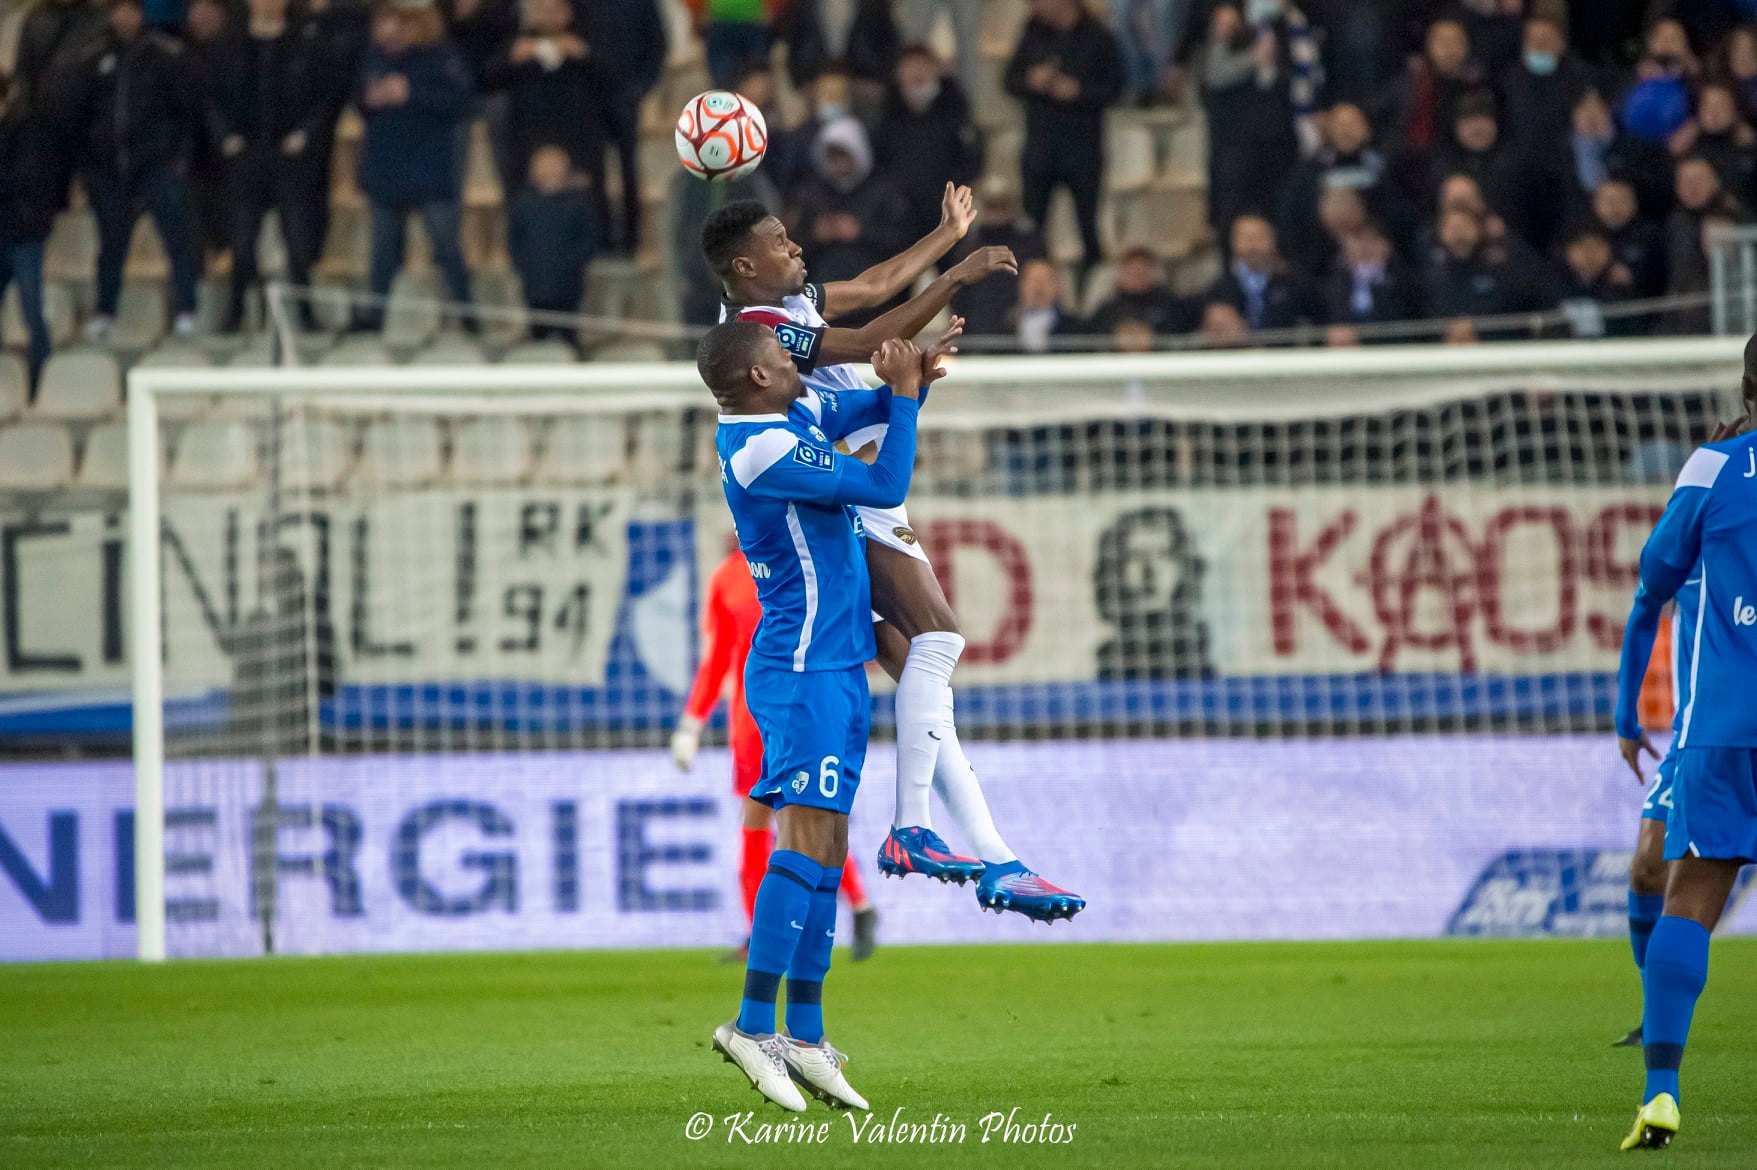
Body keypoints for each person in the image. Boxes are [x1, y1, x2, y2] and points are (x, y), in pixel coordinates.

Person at [700, 196, 1084, 920]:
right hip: (845, 476)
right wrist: (954, 276)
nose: (796, 247)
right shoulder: (762, 332)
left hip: (851, 459)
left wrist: (944, 234)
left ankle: (996, 857)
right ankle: (915, 830)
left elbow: (874, 285)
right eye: (780, 241)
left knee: (920, 672)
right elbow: (873, 337)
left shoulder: (790, 302)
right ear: (745, 266)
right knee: (938, 641)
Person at [702, 325, 942, 1113]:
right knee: (802, 846)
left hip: (838, 664)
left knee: (829, 849)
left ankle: (805, 1035)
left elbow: (863, 411)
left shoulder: (787, 416)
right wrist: (901, 396)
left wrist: (914, 379)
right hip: (800, 668)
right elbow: (882, 483)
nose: (798, 366)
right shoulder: (760, 448)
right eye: (783, 358)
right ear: (756, 376)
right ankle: (749, 1026)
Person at [1612, 335, 1757, 1152]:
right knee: (1648, 864)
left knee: (1689, 900)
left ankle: (1660, 1092)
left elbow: (1650, 581)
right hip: (1710, 731)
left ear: (1746, 388)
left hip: (1724, 727)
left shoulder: (1711, 469)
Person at [671, 546, 879, 962]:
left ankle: (855, 906)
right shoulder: (727, 578)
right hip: (751, 724)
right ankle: (761, 932)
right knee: (756, 822)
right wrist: (692, 723)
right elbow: (717, 659)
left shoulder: (810, 560)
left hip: (804, 712)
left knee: (805, 819)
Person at [73, 0, 203, 343]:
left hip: (156, 166)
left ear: (140, 13)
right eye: (117, 9)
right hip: (108, 170)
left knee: (177, 239)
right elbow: (81, 116)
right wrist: (88, 166)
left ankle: (187, 309)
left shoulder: (163, 56)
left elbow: (186, 110)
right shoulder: (96, 58)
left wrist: (177, 158)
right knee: (111, 246)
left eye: (129, 9)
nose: (123, 17)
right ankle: (105, 312)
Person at [206, 0, 335, 333]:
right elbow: (209, 97)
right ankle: (236, 311)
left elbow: (325, 97)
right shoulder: (228, 45)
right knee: (241, 242)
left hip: (289, 159)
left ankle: (306, 314)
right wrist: (225, 137)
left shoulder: (305, 43)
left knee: (298, 242)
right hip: (245, 158)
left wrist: (304, 134)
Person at [354, 0, 475, 333]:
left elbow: (461, 100)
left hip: (430, 166)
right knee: (383, 250)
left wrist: (411, 93)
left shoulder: (441, 56)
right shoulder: (373, 57)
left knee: (446, 246)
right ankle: (376, 315)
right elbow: (359, 100)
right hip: (385, 166)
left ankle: (468, 313)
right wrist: (370, 99)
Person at [1004, 0, 1123, 275]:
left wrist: (1078, 92)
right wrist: (1032, 79)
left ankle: (1091, 286)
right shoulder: (1033, 32)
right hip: (1040, 148)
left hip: (1083, 149)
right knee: (1032, 231)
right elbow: (1010, 80)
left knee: (1088, 227)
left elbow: (1115, 88)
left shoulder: (1098, 37)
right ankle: (1033, 284)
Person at [872, 44, 984, 249]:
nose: (917, 73)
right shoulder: (888, 113)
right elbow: (879, 158)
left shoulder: (955, 109)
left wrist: (955, 192)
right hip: (902, 212)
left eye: (922, 66)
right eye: (910, 67)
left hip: (946, 207)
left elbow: (972, 156)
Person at [580, 0, 666, 254]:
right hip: (589, 94)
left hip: (627, 94)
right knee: (593, 169)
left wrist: (640, 88)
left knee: (629, 169)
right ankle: (600, 237)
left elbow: (657, 44)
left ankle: (631, 239)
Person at [506, 145, 595, 349]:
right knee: (538, 339)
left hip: (569, 285)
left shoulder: (578, 203)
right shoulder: (523, 203)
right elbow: (514, 238)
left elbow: (589, 239)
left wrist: (572, 264)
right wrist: (523, 264)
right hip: (534, 283)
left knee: (569, 338)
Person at [0, 77, 57, 391]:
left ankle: (43, 378)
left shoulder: (28, 132)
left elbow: (28, 180)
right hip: (9, 232)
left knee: (31, 310)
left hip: (23, 234)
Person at [1203, 214, 1321, 336]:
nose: (1252, 245)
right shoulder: (1220, 288)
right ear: (1233, 242)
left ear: (1273, 240)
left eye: (1258, 237)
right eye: (1246, 237)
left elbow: (1318, 317)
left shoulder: (1294, 281)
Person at [1087, 246, 1192, 337]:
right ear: (1120, 276)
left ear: (1154, 275)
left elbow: (1181, 332)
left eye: (1142, 273)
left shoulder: (1170, 307)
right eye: (1132, 273)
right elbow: (1092, 337)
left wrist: (1153, 335)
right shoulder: (1107, 311)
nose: (1137, 278)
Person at [1006, 258, 1080, 353]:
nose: (1038, 286)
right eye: (1033, 280)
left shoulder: (1074, 328)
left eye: (1045, 280)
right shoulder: (1004, 325)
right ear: (1021, 286)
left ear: (1057, 287)